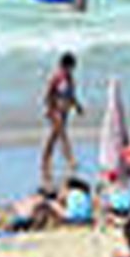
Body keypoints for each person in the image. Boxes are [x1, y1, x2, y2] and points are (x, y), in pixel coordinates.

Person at [40, 52, 83, 188]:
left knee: (53, 138)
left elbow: (72, 96)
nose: (71, 69)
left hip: (65, 112)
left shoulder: (70, 79)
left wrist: (77, 106)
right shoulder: (57, 78)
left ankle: (45, 161)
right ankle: (70, 159)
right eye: (70, 67)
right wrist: (50, 109)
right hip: (55, 111)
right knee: (63, 134)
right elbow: (48, 94)